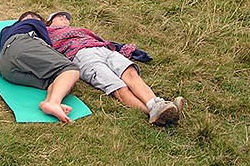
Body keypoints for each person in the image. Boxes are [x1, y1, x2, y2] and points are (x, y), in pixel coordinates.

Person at [46, 11, 185, 126]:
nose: (64, 18)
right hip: (81, 56)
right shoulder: (47, 33)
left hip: (103, 49)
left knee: (131, 74)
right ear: (49, 21)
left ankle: (156, 104)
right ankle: (156, 113)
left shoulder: (80, 31)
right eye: (59, 16)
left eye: (66, 17)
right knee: (119, 88)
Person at [0, 11, 80, 123]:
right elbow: (49, 45)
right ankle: (53, 103)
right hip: (22, 46)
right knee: (70, 69)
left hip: (5, 68)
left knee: (57, 78)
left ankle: (48, 103)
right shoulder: (33, 23)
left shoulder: (6, 30)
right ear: (30, 17)